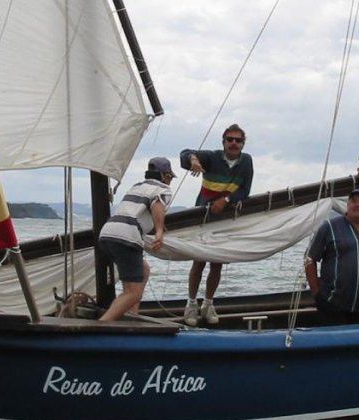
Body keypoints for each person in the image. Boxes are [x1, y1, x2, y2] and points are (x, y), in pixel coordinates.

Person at [179, 124, 254, 326]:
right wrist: (193, 160)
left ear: (243, 144)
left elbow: (245, 189)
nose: (233, 143)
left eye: (238, 140)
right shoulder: (212, 157)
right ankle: (191, 304)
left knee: (217, 261)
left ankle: (208, 303)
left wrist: (226, 201)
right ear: (223, 142)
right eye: (230, 139)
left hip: (226, 219)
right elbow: (185, 153)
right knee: (199, 260)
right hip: (203, 217)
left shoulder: (246, 161)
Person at [97, 157, 173, 322]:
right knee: (133, 293)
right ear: (166, 176)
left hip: (107, 233)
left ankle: (131, 315)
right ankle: (102, 325)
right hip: (127, 237)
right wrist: (159, 231)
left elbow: (138, 210)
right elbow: (157, 204)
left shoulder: (137, 186)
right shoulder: (163, 189)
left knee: (142, 271)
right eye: (170, 178)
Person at [304, 188, 359, 325]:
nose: (357, 204)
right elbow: (310, 259)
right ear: (348, 205)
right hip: (332, 307)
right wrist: (317, 293)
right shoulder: (329, 227)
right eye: (353, 201)